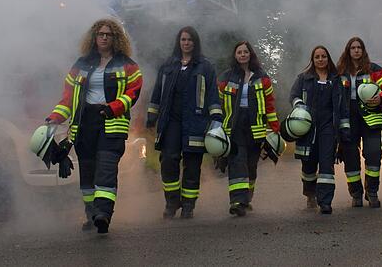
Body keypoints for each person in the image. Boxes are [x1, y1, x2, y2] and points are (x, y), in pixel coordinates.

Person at [45, 18, 143, 234]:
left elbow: (133, 92)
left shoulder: (127, 65)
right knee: (88, 172)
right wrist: (54, 118)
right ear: (94, 37)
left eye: (109, 34)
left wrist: (114, 107)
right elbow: (68, 99)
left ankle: (104, 215)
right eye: (101, 34)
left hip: (111, 121)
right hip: (84, 123)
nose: (104, 37)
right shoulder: (80, 65)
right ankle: (91, 214)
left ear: (116, 38)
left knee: (106, 169)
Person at [146, 26, 222, 219]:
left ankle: (188, 204)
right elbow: (157, 91)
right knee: (168, 159)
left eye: (189, 40)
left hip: (195, 121)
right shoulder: (168, 66)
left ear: (195, 43)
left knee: (192, 163)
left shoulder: (205, 67)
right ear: (178, 42)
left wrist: (216, 119)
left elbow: (213, 93)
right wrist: (152, 115)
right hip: (171, 120)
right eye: (183, 39)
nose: (186, 43)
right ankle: (172, 201)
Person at [217, 41, 279, 216]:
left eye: (245, 52)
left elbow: (269, 104)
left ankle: (247, 196)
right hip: (234, 125)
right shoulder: (226, 77)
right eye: (239, 52)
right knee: (237, 161)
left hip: (255, 126)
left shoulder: (262, 77)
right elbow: (218, 102)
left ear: (250, 54)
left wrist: (274, 128)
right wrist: (216, 125)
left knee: (251, 165)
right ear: (235, 56)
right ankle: (237, 201)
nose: (242, 55)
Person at [335, 37, 382, 208]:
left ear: (363, 50)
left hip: (370, 117)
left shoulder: (373, 69)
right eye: (353, 47)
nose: (356, 50)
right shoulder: (339, 71)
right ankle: (356, 194)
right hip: (348, 117)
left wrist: (381, 98)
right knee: (350, 156)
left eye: (359, 47)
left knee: (374, 153)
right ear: (348, 50)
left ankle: (372, 192)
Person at [288, 45, 343, 214]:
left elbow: (342, 106)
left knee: (327, 165)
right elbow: (293, 96)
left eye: (323, 56)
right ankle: (310, 193)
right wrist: (299, 106)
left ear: (328, 59)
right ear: (312, 60)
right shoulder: (304, 78)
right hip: (308, 129)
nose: (320, 59)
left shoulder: (336, 79)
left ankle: (325, 201)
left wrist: (342, 130)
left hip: (328, 127)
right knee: (309, 165)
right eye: (317, 57)